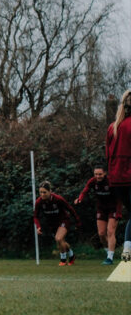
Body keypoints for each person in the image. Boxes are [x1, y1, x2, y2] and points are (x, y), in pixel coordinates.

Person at [74, 165, 122, 265]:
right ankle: (108, 252)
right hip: (101, 209)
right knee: (101, 234)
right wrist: (80, 198)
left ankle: (110, 258)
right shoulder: (92, 181)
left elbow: (118, 199)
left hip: (113, 209)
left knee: (110, 231)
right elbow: (85, 190)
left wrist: (118, 213)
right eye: (96, 174)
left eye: (100, 174)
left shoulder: (110, 182)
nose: (98, 176)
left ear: (104, 173)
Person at [106, 89, 131, 262]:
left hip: (116, 179)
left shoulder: (113, 127)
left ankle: (128, 248)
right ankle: (128, 249)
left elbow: (108, 155)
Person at [33, 181, 82, 266]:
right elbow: (35, 216)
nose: (42, 194)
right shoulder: (39, 202)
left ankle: (63, 260)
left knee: (58, 238)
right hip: (52, 224)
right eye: (40, 192)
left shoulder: (58, 199)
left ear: (50, 191)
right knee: (61, 241)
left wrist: (77, 221)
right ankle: (72, 255)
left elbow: (70, 208)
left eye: (44, 192)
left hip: (64, 220)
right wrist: (38, 226)